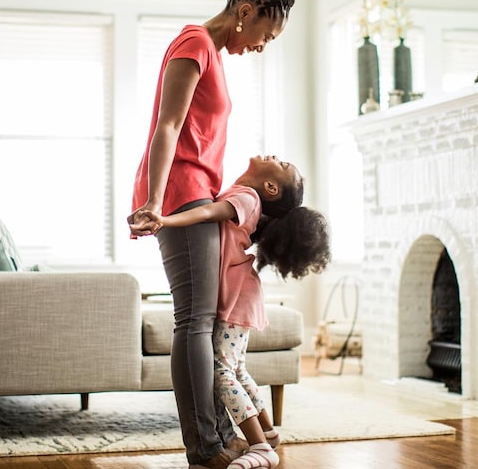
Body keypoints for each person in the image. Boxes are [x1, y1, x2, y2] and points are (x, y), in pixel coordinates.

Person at [127, 0, 295, 469]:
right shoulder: (195, 41)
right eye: (265, 35)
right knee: (195, 323)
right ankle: (206, 448)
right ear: (245, 13)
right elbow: (169, 125)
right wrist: (156, 201)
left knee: (201, 322)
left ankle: (220, 436)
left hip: (197, 194)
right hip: (181, 194)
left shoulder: (213, 55)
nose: (262, 46)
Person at [133, 155, 331, 469]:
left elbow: (209, 212)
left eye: (281, 165)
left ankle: (261, 446)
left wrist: (164, 219)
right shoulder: (247, 196)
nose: (274, 158)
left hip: (237, 296)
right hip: (242, 293)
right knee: (235, 369)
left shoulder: (247, 197)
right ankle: (267, 430)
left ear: (270, 188)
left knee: (222, 373)